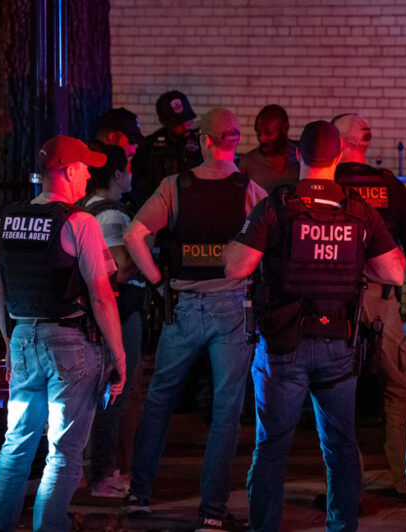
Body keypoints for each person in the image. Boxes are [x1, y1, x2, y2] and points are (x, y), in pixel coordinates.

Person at [223, 121, 406, 532]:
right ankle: (342, 527)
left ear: (299, 157)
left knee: (271, 447)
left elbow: (238, 267)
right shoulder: (358, 209)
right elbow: (395, 272)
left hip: (283, 344)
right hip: (338, 344)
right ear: (339, 157)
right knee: (340, 447)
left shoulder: (276, 205)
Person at [122, 108, 265, 531]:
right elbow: (266, 244)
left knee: (159, 400)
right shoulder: (249, 190)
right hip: (233, 308)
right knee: (226, 411)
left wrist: (156, 282)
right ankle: (212, 512)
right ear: (235, 141)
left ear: (204, 140)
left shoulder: (175, 187)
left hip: (182, 307)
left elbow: (133, 235)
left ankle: (138, 496)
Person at [0, 135, 126, 531]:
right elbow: (100, 297)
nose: (88, 177)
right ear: (66, 170)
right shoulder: (80, 223)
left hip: (24, 339)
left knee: (16, 446)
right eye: (84, 169)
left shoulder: (7, 220)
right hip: (70, 344)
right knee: (63, 453)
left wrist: (9, 342)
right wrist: (119, 354)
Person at [331, 113, 406, 498]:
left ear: (337, 141)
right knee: (399, 388)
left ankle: (343, 484)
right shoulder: (389, 186)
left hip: (334, 301)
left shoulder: (325, 184)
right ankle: (405, 482)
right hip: (383, 305)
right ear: (365, 142)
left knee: (333, 389)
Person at [79, 144, 145, 498]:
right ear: (118, 174)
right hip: (117, 313)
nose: (131, 176)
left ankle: (81, 470)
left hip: (84, 313)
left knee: (83, 395)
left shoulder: (83, 209)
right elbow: (119, 270)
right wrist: (143, 252)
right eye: (127, 170)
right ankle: (105, 475)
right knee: (114, 391)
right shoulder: (116, 216)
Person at [128, 90, 204, 208]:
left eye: (187, 120)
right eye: (178, 123)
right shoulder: (149, 146)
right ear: (164, 123)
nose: (185, 126)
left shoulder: (202, 142)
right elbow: (136, 182)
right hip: (159, 210)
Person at [238, 104, 300, 193]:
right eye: (259, 133)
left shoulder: (303, 155)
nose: (262, 139)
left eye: (268, 133)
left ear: (284, 129)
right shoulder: (248, 162)